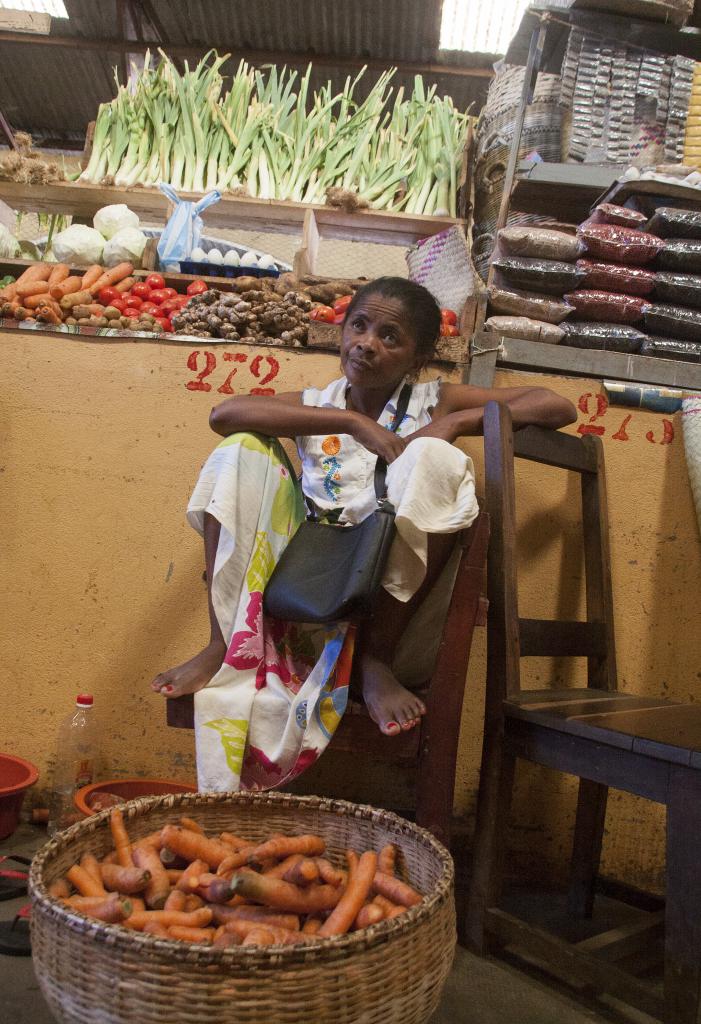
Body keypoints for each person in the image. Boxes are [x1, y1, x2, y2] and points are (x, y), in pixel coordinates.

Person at [152, 277, 576, 791]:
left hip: (391, 606)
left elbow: (556, 405)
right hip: (304, 590)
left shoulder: (432, 399)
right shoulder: (317, 402)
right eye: (359, 325)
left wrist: (455, 422)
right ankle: (224, 643)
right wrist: (352, 424)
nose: (367, 343)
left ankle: (375, 661)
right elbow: (225, 414)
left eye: (390, 336)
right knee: (239, 449)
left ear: (417, 357)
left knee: (434, 459)